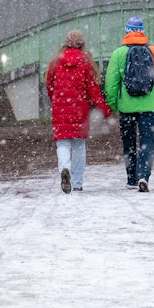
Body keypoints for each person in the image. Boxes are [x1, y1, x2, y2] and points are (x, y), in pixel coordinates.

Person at [104, 17, 154, 192]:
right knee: (147, 141)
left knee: (128, 141)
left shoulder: (118, 53)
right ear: (142, 31)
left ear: (126, 32)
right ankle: (143, 175)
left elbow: (111, 84)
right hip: (149, 105)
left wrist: (113, 105)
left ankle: (131, 178)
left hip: (126, 106)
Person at [45, 30, 112, 194]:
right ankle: (76, 182)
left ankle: (64, 168)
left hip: (60, 107)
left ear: (66, 43)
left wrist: (56, 99)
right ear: (82, 45)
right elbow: (93, 90)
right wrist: (105, 109)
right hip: (79, 109)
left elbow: (49, 85)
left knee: (62, 143)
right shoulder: (85, 63)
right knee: (79, 145)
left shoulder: (56, 62)